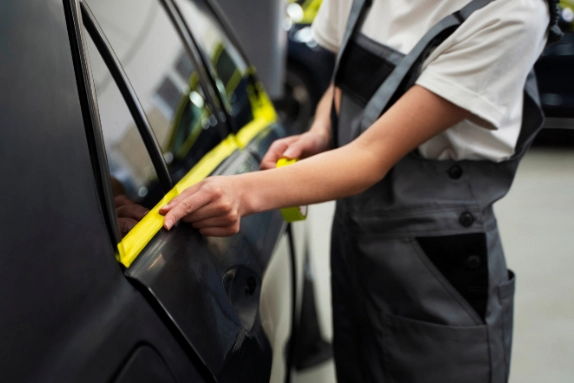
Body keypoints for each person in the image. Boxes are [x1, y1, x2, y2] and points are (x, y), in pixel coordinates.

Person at [159, 0, 557, 380]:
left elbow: (371, 156)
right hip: (356, 229)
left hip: (437, 255)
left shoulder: (510, 11)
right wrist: (320, 131)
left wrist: (242, 193)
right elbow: (345, 80)